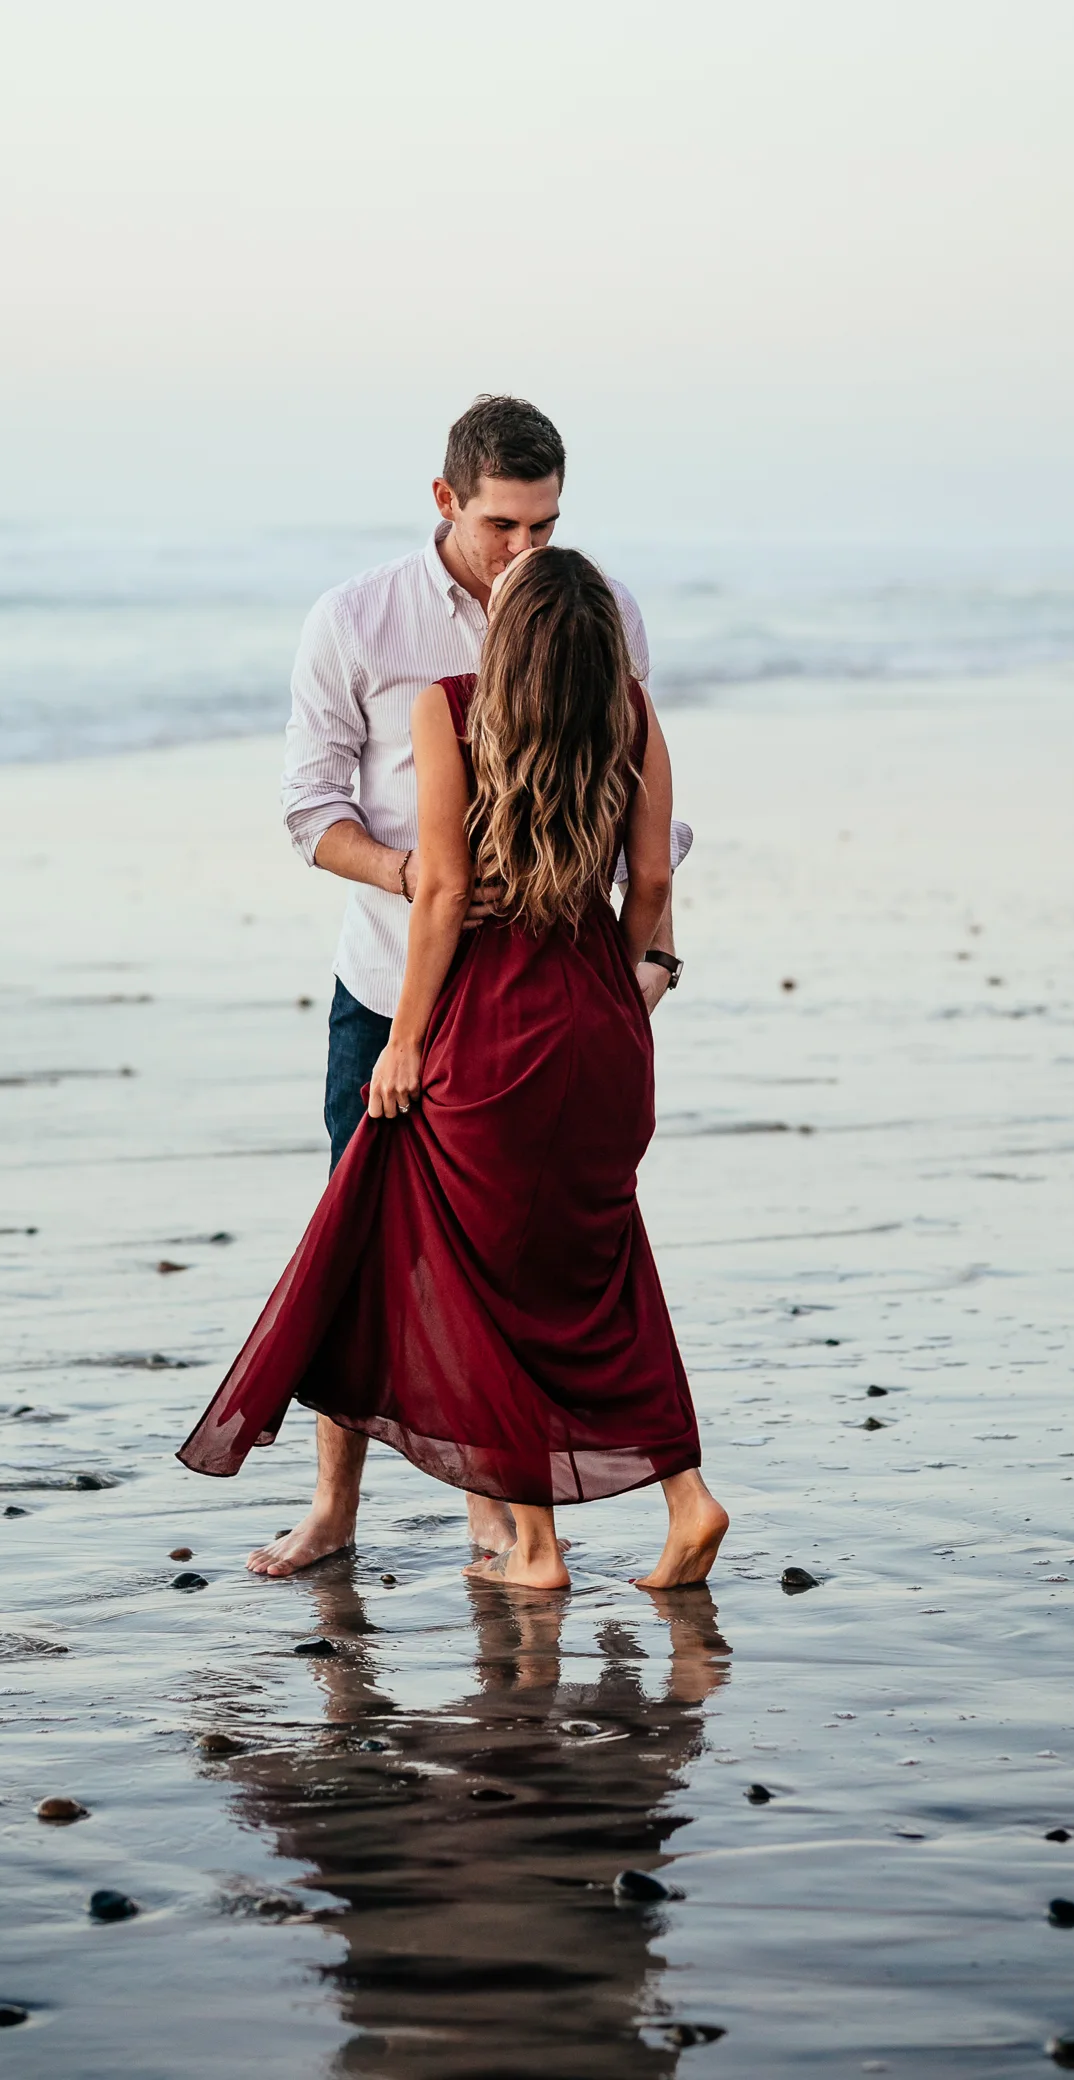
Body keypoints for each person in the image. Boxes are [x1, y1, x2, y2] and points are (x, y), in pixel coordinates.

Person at [178, 546, 726, 1591]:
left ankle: (535, 1548)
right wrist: (619, 989)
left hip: (492, 1026)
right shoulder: (635, 717)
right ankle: (685, 1498)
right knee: (606, 1273)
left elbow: (438, 894)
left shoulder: (453, 707)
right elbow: (650, 876)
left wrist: (402, 1040)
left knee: (490, 1290)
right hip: (606, 1027)